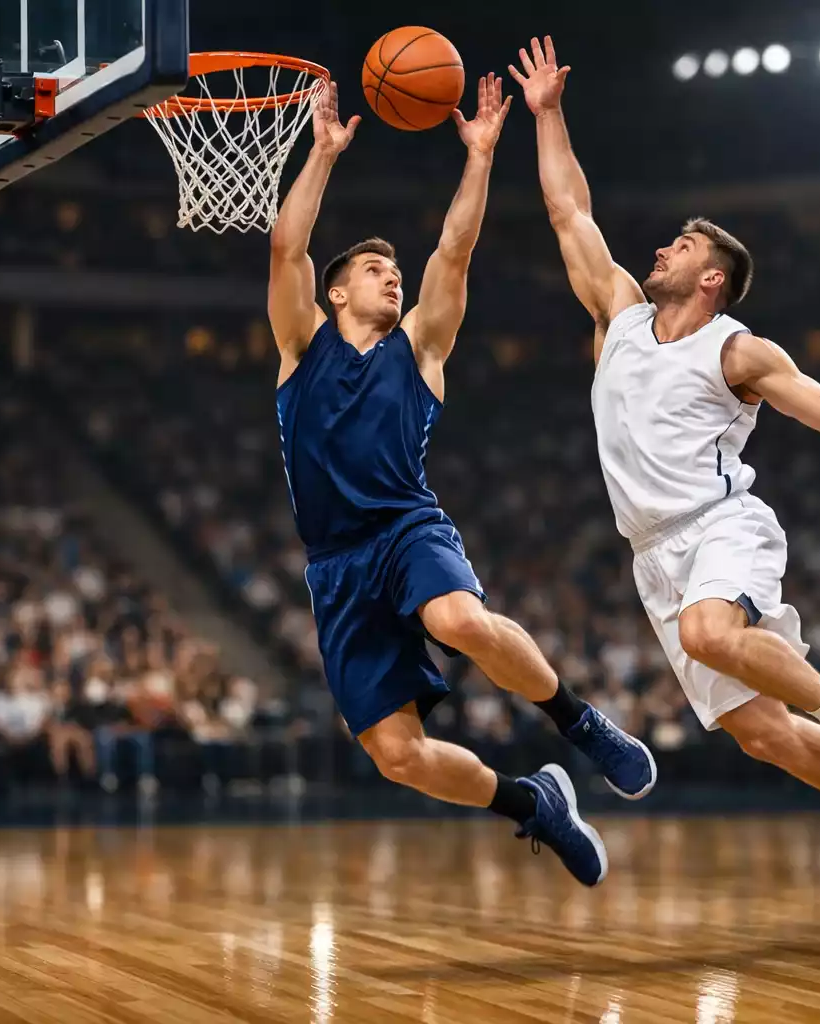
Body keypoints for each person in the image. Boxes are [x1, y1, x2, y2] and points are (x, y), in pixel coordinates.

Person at [510, 36, 820, 912]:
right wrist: (548, 115)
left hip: (721, 526)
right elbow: (567, 211)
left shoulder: (734, 348)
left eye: (682, 245)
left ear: (713, 278)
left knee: (707, 634)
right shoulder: (617, 315)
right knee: (765, 737)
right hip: (651, 551)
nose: (662, 249)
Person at [267, 75, 654, 887]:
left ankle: (580, 726)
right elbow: (286, 247)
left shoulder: (422, 348)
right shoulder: (303, 346)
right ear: (337, 292)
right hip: (334, 563)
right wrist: (323, 155)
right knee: (398, 758)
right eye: (374, 269)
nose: (391, 277)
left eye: (392, 271)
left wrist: (479, 158)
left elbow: (455, 248)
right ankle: (535, 807)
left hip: (406, 527)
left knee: (457, 618)